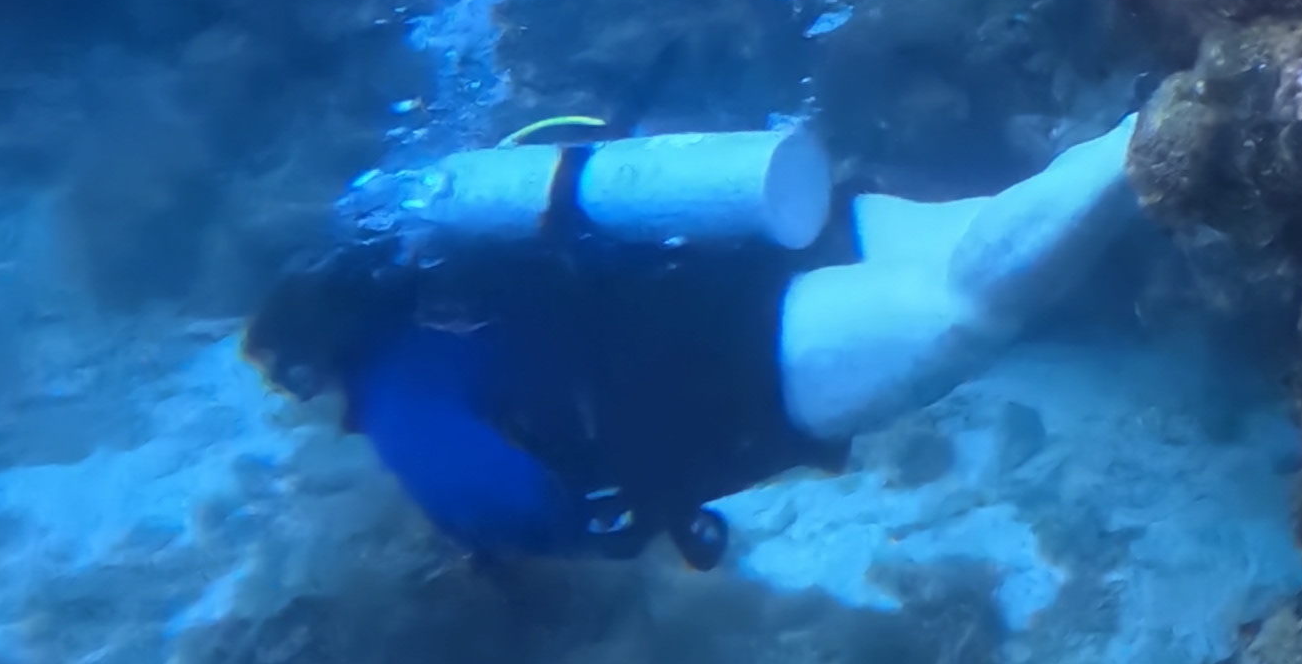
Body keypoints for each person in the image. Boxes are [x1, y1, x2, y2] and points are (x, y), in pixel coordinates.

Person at [243, 112, 1141, 562]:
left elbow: (501, 501)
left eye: (296, 387)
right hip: (740, 249)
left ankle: (1171, 129)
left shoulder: (400, 397)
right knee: (981, 228)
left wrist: (571, 535)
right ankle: (1158, 119)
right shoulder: (438, 273)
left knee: (969, 310)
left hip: (733, 364)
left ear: (312, 359)